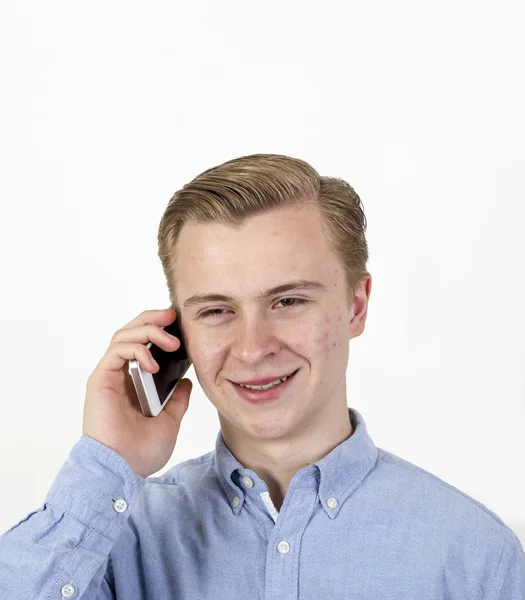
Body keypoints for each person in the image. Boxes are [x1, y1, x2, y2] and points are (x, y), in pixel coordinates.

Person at [0, 154, 523, 599]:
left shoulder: (472, 556)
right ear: (175, 332)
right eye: (216, 311)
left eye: (289, 301)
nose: (253, 348)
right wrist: (106, 460)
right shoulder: (109, 543)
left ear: (356, 305)